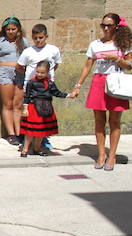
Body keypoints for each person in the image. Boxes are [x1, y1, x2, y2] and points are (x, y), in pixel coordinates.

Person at [68, 13, 132, 171]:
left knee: (115, 121)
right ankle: (102, 153)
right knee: (99, 121)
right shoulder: (95, 44)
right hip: (98, 82)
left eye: (109, 25)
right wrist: (78, 85)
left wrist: (115, 58)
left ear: (116, 26)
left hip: (116, 83)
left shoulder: (123, 44)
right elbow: (87, 66)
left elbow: (129, 65)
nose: (105, 28)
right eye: (103, 25)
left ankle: (112, 155)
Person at [0, 17, 29, 146]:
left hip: (20, 73)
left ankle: (19, 132)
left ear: (18, 29)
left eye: (13, 29)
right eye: (8, 29)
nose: (11, 32)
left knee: (18, 105)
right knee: (8, 104)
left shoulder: (24, 42)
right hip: (4, 72)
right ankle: (11, 133)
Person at [19, 61, 69, 158]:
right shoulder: (31, 82)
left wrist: (68, 95)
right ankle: (25, 150)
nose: (39, 74)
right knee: (30, 131)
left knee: (41, 131)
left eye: (42, 73)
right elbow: (27, 96)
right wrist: (25, 108)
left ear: (47, 72)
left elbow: (57, 93)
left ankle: (37, 149)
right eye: (38, 72)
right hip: (33, 107)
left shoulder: (50, 83)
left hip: (46, 107)